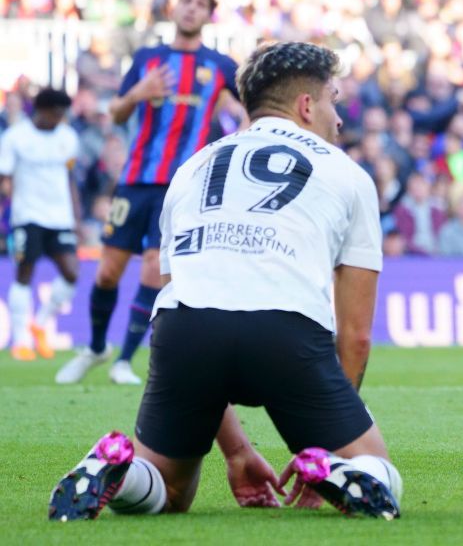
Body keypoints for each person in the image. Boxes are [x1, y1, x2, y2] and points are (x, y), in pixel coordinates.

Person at [48, 41, 402, 521]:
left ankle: (119, 468)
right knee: (377, 467)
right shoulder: (348, 174)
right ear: (305, 105)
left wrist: (236, 452)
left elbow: (184, 291)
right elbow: (357, 335)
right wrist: (329, 443)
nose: (338, 118)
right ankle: (345, 473)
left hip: (184, 330)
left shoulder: (191, 168)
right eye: (332, 100)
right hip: (285, 331)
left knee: (170, 491)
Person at [55, 0, 244, 386]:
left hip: (181, 187)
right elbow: (118, 114)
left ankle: (124, 359)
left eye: (200, 3)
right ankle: (96, 346)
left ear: (209, 16)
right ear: (174, 9)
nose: (192, 8)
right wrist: (139, 92)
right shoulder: (148, 59)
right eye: (187, 1)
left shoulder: (220, 66)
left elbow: (250, 110)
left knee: (152, 270)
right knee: (107, 272)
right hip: (136, 180)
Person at [0, 88, 80, 361]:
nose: (60, 119)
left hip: (60, 217)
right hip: (27, 215)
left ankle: (40, 323)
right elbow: (5, 179)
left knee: (71, 273)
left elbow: (70, 179)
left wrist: (77, 219)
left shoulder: (68, 138)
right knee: (25, 273)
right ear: (42, 111)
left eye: (63, 114)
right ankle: (21, 340)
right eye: (56, 114)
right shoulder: (15, 137)